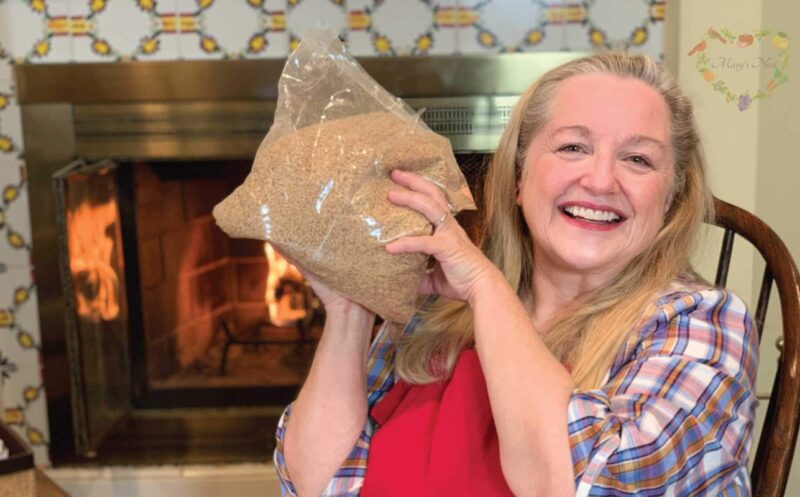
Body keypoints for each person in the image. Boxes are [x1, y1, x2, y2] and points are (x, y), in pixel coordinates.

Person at [272, 53, 758, 497]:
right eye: (572, 147)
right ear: (520, 178)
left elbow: (589, 484)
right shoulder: (435, 312)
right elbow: (319, 485)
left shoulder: (703, 323)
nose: (600, 180)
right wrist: (349, 313)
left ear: (671, 197)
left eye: (637, 159)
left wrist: (486, 288)